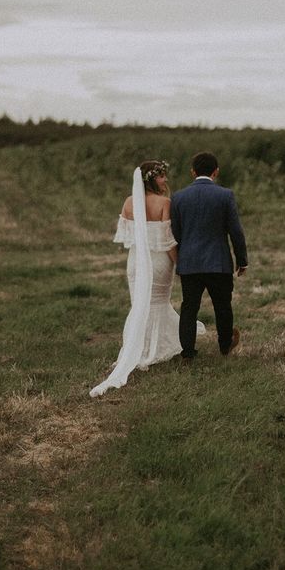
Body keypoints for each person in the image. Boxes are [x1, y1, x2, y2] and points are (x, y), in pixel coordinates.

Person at [90, 160, 205, 397]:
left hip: (135, 262)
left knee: (141, 304)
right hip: (160, 262)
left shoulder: (129, 202)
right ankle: (152, 349)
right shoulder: (164, 203)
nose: (166, 181)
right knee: (158, 303)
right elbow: (168, 240)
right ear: (151, 179)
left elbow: (126, 237)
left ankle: (139, 347)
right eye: (162, 176)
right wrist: (180, 263)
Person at [170, 152, 248, 361]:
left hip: (190, 263)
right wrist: (242, 261)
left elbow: (175, 233)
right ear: (216, 171)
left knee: (189, 307)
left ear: (192, 172)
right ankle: (224, 345)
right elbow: (236, 232)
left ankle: (187, 353)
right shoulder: (225, 195)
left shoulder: (178, 197)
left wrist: (184, 256)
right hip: (218, 262)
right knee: (223, 305)